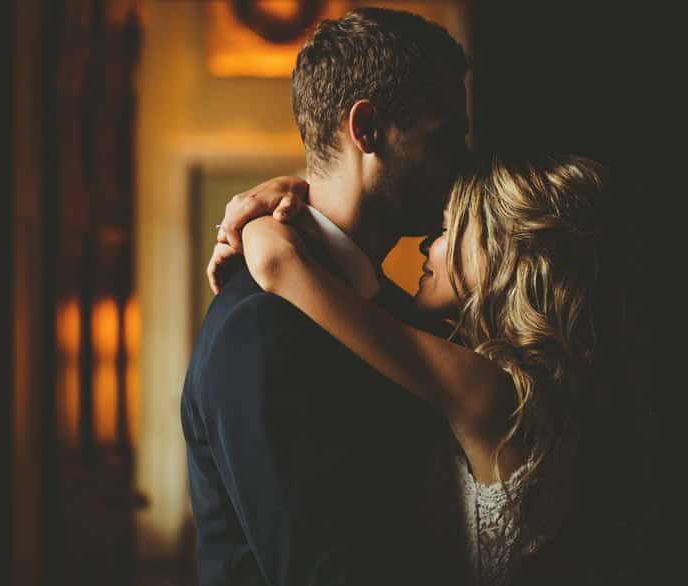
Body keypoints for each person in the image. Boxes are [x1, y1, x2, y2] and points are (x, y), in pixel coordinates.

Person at [208, 154, 623, 586]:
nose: (428, 244)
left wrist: (254, 215)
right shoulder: (529, 382)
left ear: (501, 251)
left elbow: (279, 265)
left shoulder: (487, 388)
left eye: (446, 230)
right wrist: (291, 194)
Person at [180, 7, 470, 586]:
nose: (462, 161)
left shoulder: (384, 302)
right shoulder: (261, 327)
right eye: (444, 138)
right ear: (367, 130)